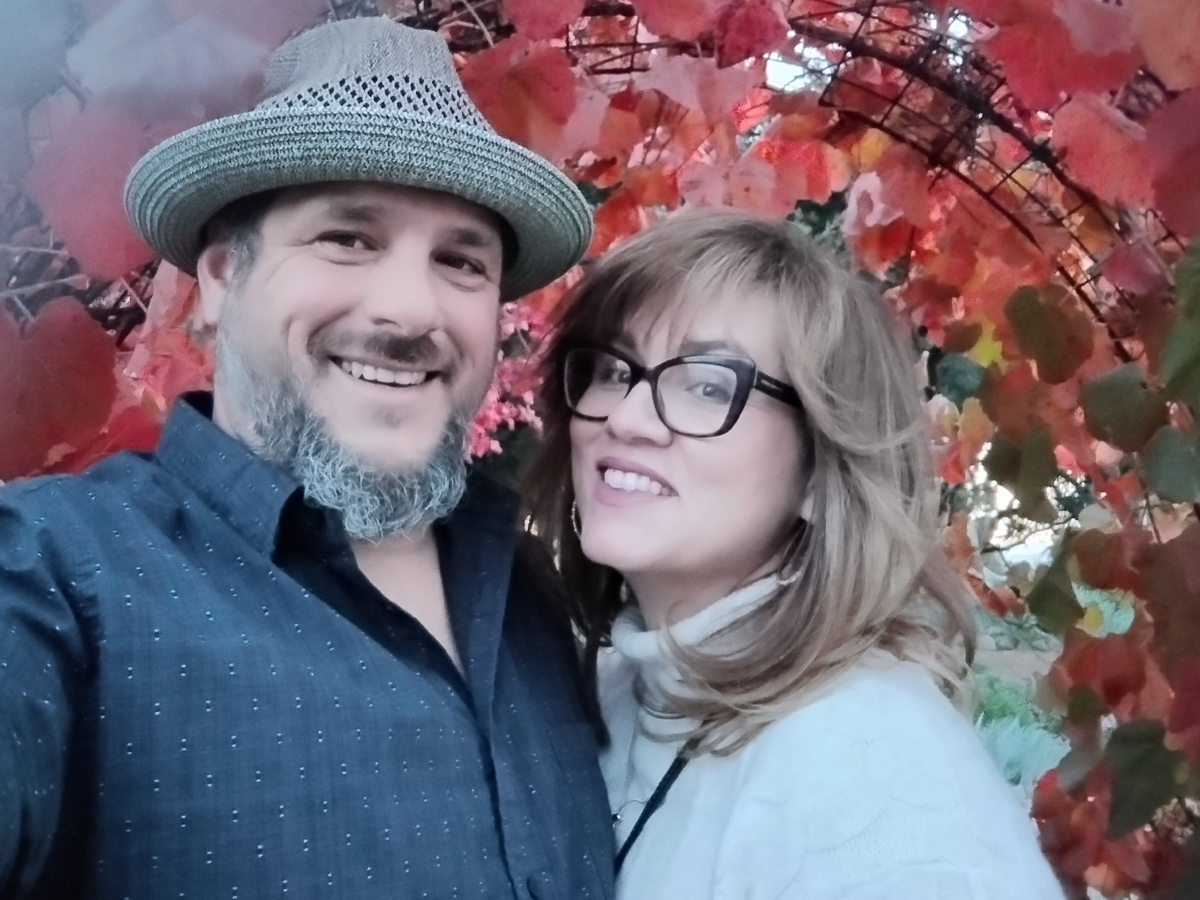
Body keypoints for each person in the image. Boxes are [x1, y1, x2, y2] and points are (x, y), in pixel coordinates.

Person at [0, 16, 614, 900]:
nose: (411, 311)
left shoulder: (536, 604)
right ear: (221, 277)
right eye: (347, 238)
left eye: (461, 261)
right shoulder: (55, 577)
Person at [524, 208, 1068, 899]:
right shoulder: (607, 697)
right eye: (612, 369)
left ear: (821, 472)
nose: (626, 418)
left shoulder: (876, 784)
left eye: (709, 385)